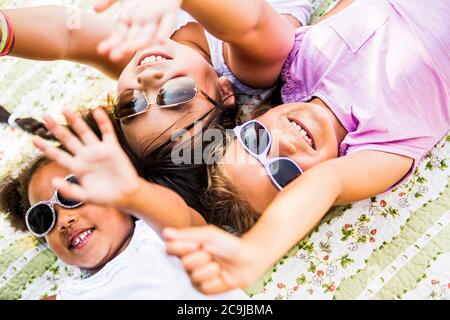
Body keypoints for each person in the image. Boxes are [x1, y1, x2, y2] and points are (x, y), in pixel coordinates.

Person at [161, 0, 450, 294]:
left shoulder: (297, 63)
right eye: (285, 175)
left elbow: (251, 20)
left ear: (251, 117)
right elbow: (326, 183)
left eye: (255, 140)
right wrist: (255, 253)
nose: (284, 144)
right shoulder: (376, 147)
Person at [0, 108, 247, 299]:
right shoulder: (72, 294)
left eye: (74, 193)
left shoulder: (159, 233)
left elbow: (184, 219)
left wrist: (135, 194)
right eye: (43, 217)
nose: (64, 220)